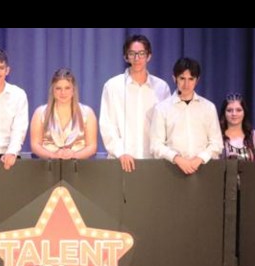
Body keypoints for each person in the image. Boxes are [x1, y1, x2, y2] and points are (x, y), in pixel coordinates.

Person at [99, 34, 171, 172]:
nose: (137, 58)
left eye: (141, 54)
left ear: (149, 56)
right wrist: (121, 153)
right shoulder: (113, 86)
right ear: (126, 57)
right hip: (120, 162)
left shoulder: (162, 88)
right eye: (132, 54)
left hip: (153, 163)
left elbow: (166, 128)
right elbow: (107, 125)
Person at [150, 57, 224, 175]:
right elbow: (156, 145)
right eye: (182, 78)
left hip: (204, 170)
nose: (186, 84)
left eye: (191, 79)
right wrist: (177, 159)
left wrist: (199, 159)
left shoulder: (208, 107)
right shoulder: (162, 108)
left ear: (197, 80)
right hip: (171, 170)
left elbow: (217, 143)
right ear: (174, 78)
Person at [29, 68, 98, 160]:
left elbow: (92, 147)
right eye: (58, 88)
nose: (63, 93)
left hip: (80, 168)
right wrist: (54, 156)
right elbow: (35, 146)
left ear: (73, 90)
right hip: (46, 168)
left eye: (67, 88)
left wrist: (73, 155)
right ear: (53, 90)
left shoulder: (87, 113)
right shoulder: (40, 113)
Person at [219, 93, 255, 161]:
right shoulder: (216, 137)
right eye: (229, 110)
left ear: (244, 112)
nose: (234, 114)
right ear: (224, 113)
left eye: (238, 110)